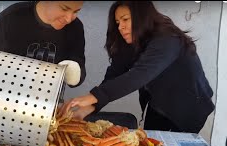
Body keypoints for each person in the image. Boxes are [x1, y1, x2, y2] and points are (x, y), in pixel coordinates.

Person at [58, 1, 215, 133]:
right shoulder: (130, 42)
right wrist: (92, 106)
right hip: (158, 103)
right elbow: (115, 74)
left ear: (142, 17)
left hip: (189, 105)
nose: (121, 27)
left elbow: (138, 76)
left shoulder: (168, 39)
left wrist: (92, 96)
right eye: (118, 23)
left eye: (125, 19)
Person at [0, 1, 86, 87]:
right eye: (64, 8)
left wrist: (74, 73)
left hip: (48, 103)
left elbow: (79, 71)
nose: (68, 19)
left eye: (76, 11)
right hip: (6, 96)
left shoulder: (75, 28)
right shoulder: (12, 17)